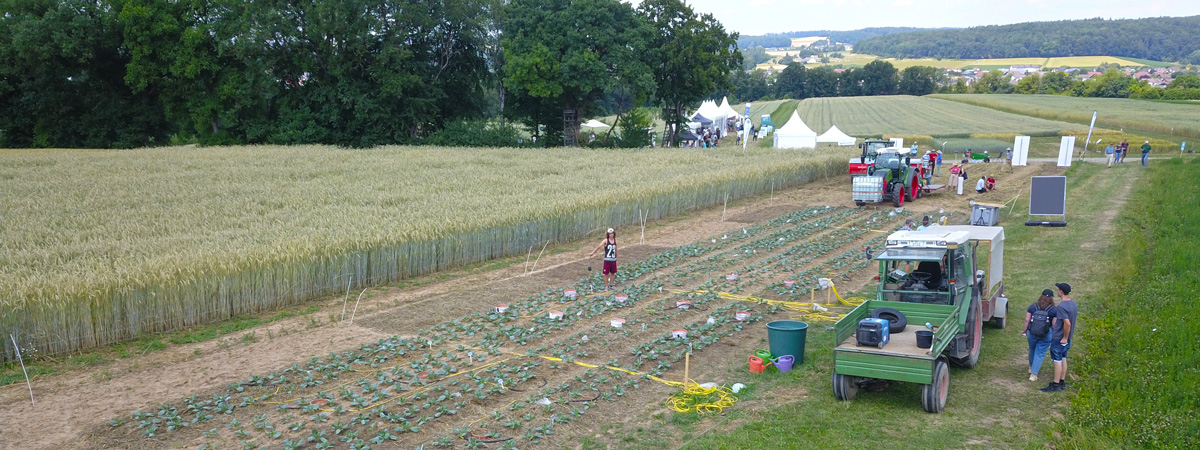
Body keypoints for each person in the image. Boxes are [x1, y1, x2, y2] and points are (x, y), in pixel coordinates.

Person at [1042, 283, 1078, 392]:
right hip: (1068, 338)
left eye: (1058, 289)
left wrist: (1064, 338)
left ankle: (1056, 384)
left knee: (1056, 361)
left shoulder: (1062, 306)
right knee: (1063, 358)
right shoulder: (1073, 304)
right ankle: (1062, 381)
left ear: (1061, 291)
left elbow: (1067, 324)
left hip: (1060, 338)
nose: (1057, 291)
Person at [1023, 289, 1058, 382]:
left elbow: (1027, 320)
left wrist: (1025, 330)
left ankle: (1030, 366)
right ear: (1051, 298)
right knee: (1040, 353)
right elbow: (1054, 324)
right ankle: (1033, 375)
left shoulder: (1032, 306)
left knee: (1032, 349)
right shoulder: (1054, 310)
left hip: (1032, 332)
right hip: (1046, 334)